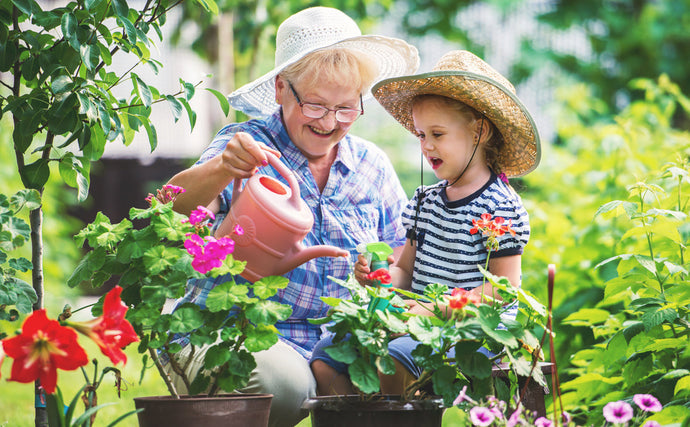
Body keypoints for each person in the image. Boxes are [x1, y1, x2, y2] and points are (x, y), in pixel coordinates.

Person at [161, 6, 419, 427]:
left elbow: (397, 260)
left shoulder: (372, 166)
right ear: (282, 89)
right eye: (316, 105)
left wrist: (382, 276)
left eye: (346, 109)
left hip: (335, 342)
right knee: (280, 386)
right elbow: (172, 209)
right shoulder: (243, 146)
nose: (330, 122)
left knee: (397, 367)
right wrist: (224, 168)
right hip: (238, 329)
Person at [310, 50, 541, 396]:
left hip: (471, 330)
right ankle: (362, 417)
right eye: (420, 135)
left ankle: (396, 415)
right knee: (325, 356)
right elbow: (406, 271)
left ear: (479, 131)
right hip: (415, 321)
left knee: (391, 359)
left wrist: (435, 308)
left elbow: (501, 291)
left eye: (437, 134)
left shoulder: (499, 207)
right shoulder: (424, 201)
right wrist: (381, 279)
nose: (426, 145)